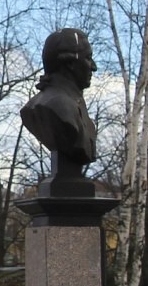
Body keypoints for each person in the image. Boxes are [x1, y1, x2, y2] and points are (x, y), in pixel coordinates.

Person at [20, 27, 97, 187]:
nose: (94, 67)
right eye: (88, 58)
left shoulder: (74, 104)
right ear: (70, 63)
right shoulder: (53, 106)